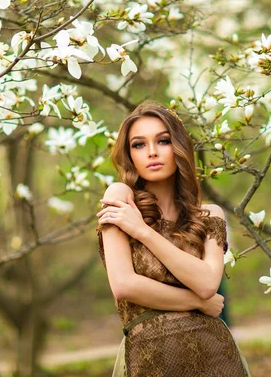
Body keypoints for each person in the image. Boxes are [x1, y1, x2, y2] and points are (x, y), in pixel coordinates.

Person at [96, 100, 250, 376]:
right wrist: (197, 303)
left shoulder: (210, 215)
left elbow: (206, 284)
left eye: (163, 141)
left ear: (178, 147)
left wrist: (143, 232)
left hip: (215, 355)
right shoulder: (120, 197)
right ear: (129, 155)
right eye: (139, 145)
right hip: (148, 356)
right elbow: (124, 285)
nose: (152, 152)